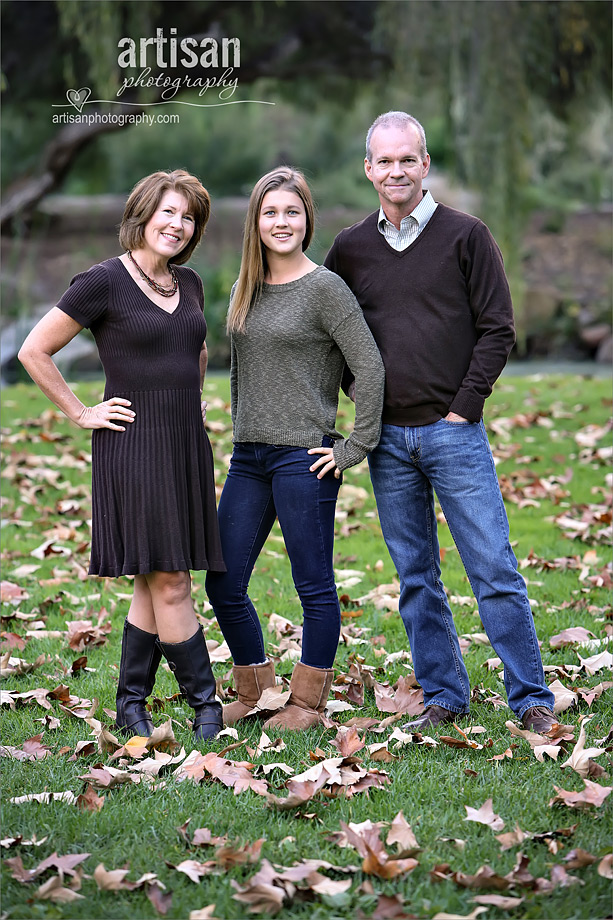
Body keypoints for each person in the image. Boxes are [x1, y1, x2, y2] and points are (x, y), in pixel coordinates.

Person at [324, 112, 556, 733]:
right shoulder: (349, 249)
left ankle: (531, 698)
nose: (396, 171)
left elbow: (497, 328)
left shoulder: (466, 235)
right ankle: (444, 696)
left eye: (408, 159)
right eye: (385, 161)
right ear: (368, 169)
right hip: (387, 441)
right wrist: (363, 400)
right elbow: (329, 334)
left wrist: (464, 407)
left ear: (425, 165)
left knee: (493, 568)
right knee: (415, 577)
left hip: (454, 432)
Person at [18, 169, 225, 743]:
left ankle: (130, 705)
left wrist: (196, 403)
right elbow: (34, 351)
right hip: (132, 444)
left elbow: (197, 348)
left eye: (188, 217)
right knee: (173, 580)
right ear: (143, 214)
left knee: (151, 580)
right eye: (169, 213)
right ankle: (205, 707)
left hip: (183, 441)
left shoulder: (190, 285)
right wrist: (82, 412)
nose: (178, 225)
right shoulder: (102, 281)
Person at [205, 167, 385, 731]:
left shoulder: (326, 288)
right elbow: (242, 374)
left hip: (305, 457)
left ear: (307, 219)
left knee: (313, 584)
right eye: (270, 213)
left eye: (291, 211)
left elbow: (370, 367)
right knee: (223, 579)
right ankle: (255, 689)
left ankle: (306, 703)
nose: (281, 222)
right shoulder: (245, 288)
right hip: (250, 457)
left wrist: (354, 446)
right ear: (255, 223)